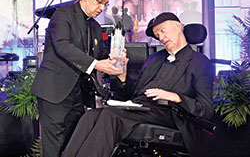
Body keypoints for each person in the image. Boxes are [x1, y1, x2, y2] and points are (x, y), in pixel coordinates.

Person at [61, 12, 215, 157]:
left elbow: (206, 110)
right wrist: (122, 77)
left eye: (163, 30)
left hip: (169, 113)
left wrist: (175, 97)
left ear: (178, 26)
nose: (161, 37)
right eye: (158, 35)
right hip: (141, 108)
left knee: (109, 116)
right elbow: (133, 95)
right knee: (90, 116)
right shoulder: (154, 59)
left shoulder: (200, 63)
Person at [30, 0, 123, 157]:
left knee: (74, 143)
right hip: (54, 91)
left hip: (78, 94)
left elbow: (99, 55)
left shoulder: (95, 26)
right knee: (54, 145)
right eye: (99, 2)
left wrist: (115, 60)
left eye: (106, 4)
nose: (102, 8)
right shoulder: (63, 14)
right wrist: (95, 64)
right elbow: (62, 46)